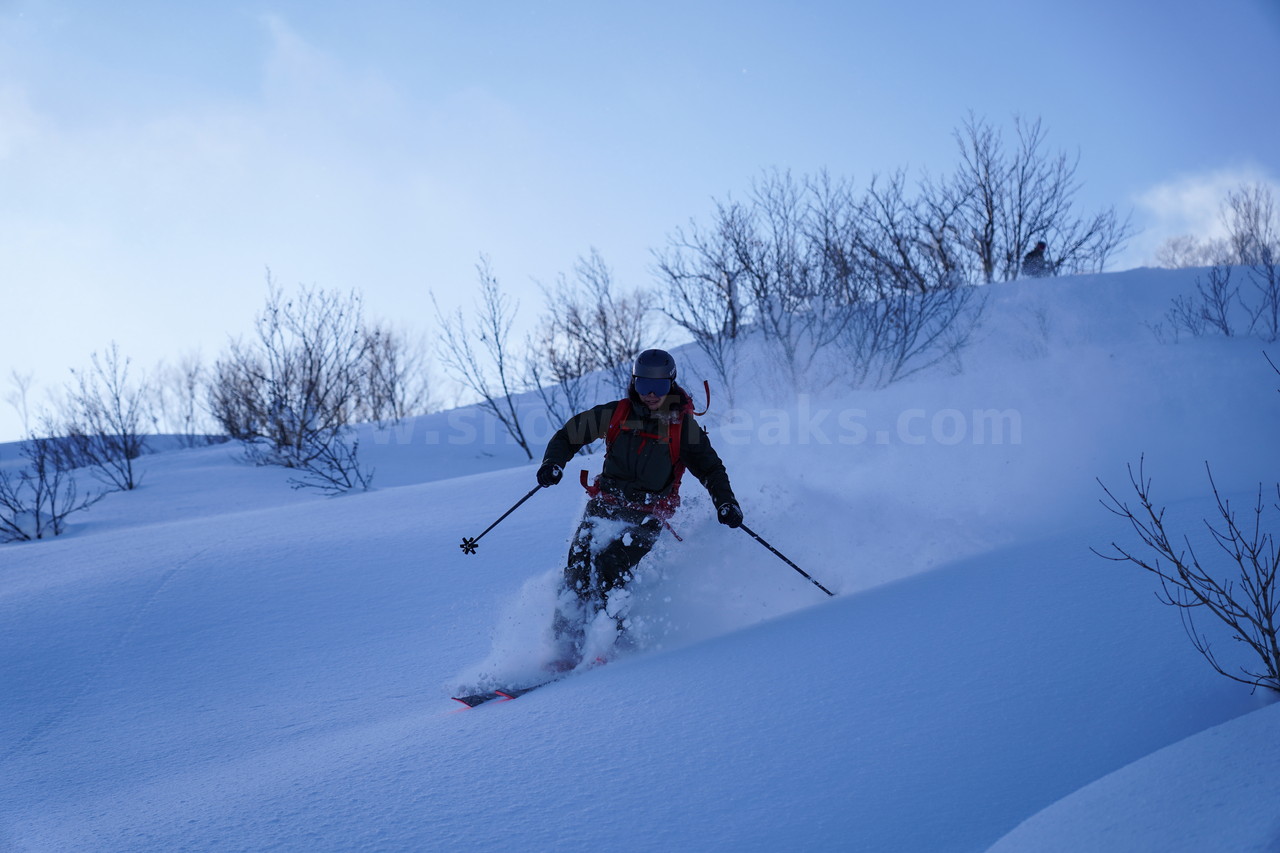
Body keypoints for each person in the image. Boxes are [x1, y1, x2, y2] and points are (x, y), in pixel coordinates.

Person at [535, 348, 741, 668]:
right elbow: (569, 434)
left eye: (658, 387)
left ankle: (610, 642)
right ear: (634, 382)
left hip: (648, 514)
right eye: (643, 384)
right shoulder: (617, 412)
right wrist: (553, 463)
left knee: (611, 565)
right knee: (578, 565)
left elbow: (711, 469)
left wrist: (726, 502)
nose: (650, 394)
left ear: (670, 385)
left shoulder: (683, 428)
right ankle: (565, 647)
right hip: (605, 504)